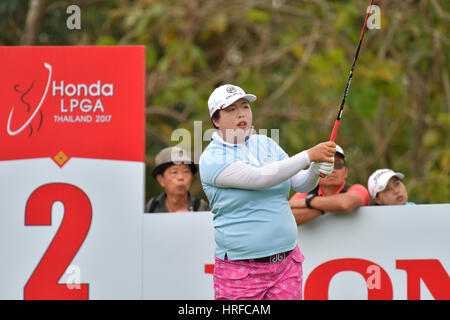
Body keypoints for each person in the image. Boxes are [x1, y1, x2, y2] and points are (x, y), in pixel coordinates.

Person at [199, 84, 336, 300]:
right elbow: (260, 178)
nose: (241, 113)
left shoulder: (266, 143)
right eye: (231, 109)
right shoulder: (212, 158)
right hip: (240, 271)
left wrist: (316, 170)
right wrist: (309, 155)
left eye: (245, 106)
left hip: (287, 265)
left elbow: (300, 184)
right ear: (215, 120)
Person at [289, 145, 370, 225]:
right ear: (315, 172)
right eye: (326, 165)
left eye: (338, 164)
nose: (332, 170)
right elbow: (288, 218)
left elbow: (345, 203)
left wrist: (308, 202)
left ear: (346, 172)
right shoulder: (304, 193)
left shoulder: (359, 189)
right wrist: (328, 207)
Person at [146, 146, 210, 213]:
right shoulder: (151, 208)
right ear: (161, 179)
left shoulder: (202, 208)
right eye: (174, 172)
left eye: (186, 172)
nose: (181, 177)